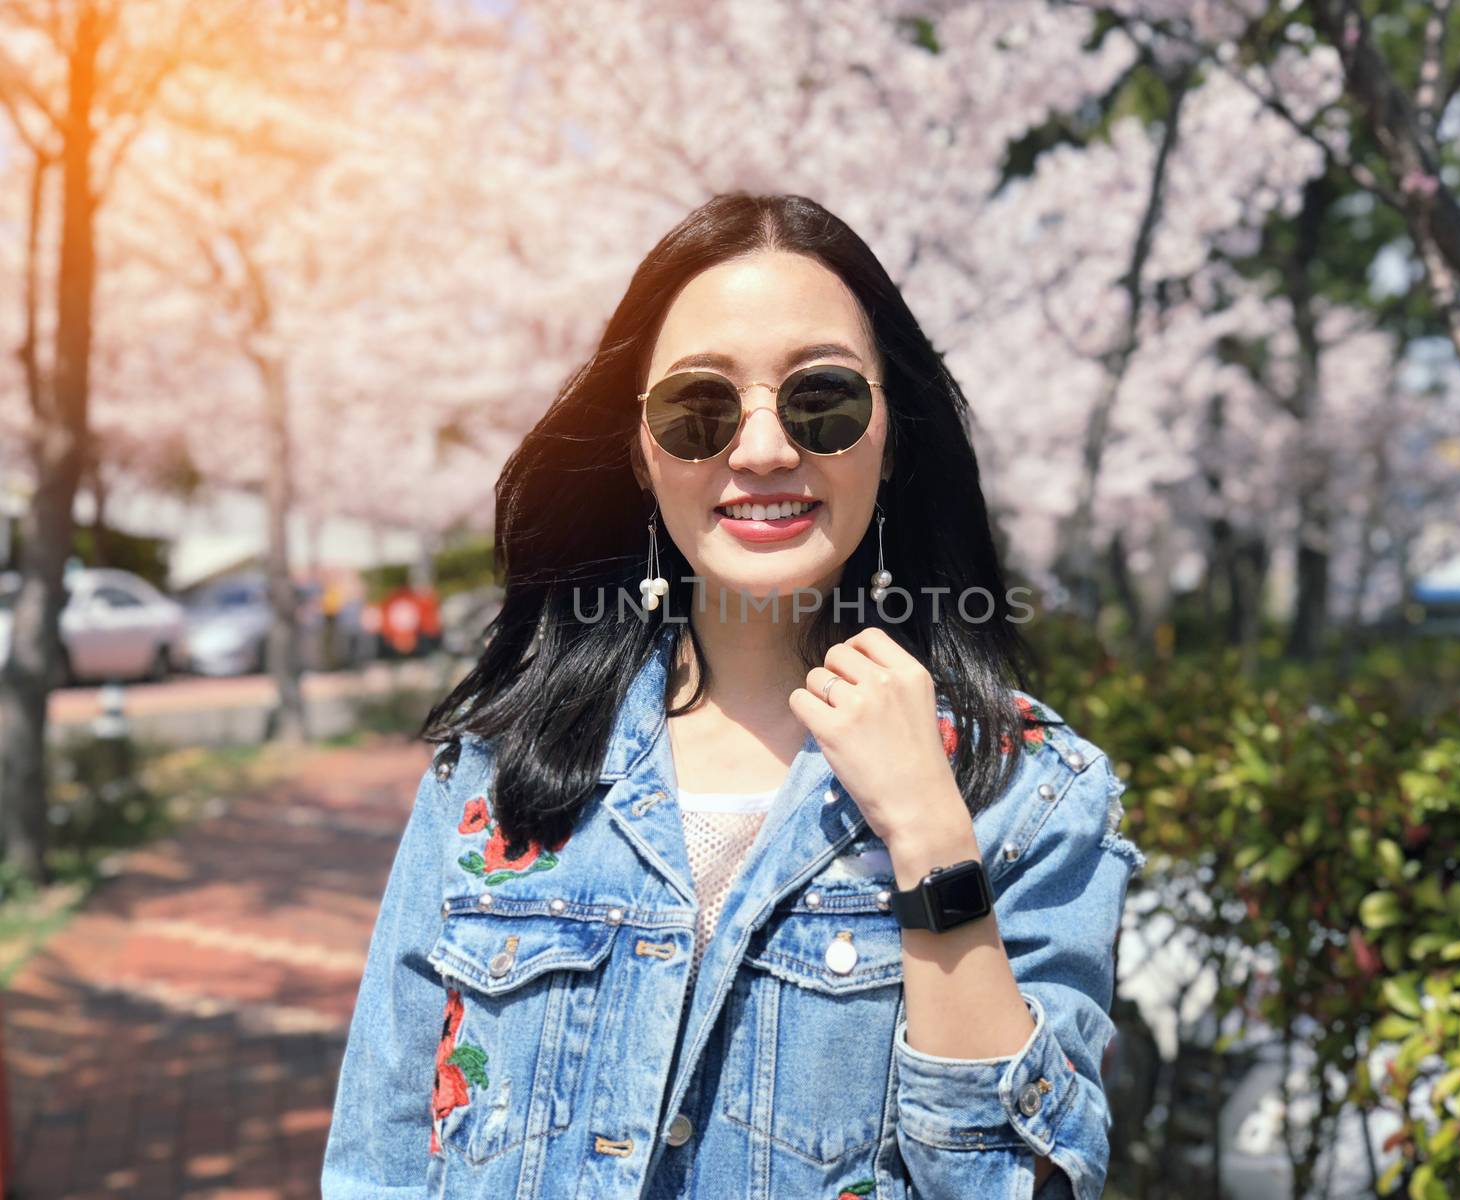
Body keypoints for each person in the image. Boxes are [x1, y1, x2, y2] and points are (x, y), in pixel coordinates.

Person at [321, 192, 1145, 1200]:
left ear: (891, 439)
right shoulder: (496, 778)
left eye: (823, 400)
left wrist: (931, 835)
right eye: (698, 408)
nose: (761, 450)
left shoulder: (1031, 796)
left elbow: (1016, 1187)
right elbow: (381, 1166)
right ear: (640, 450)